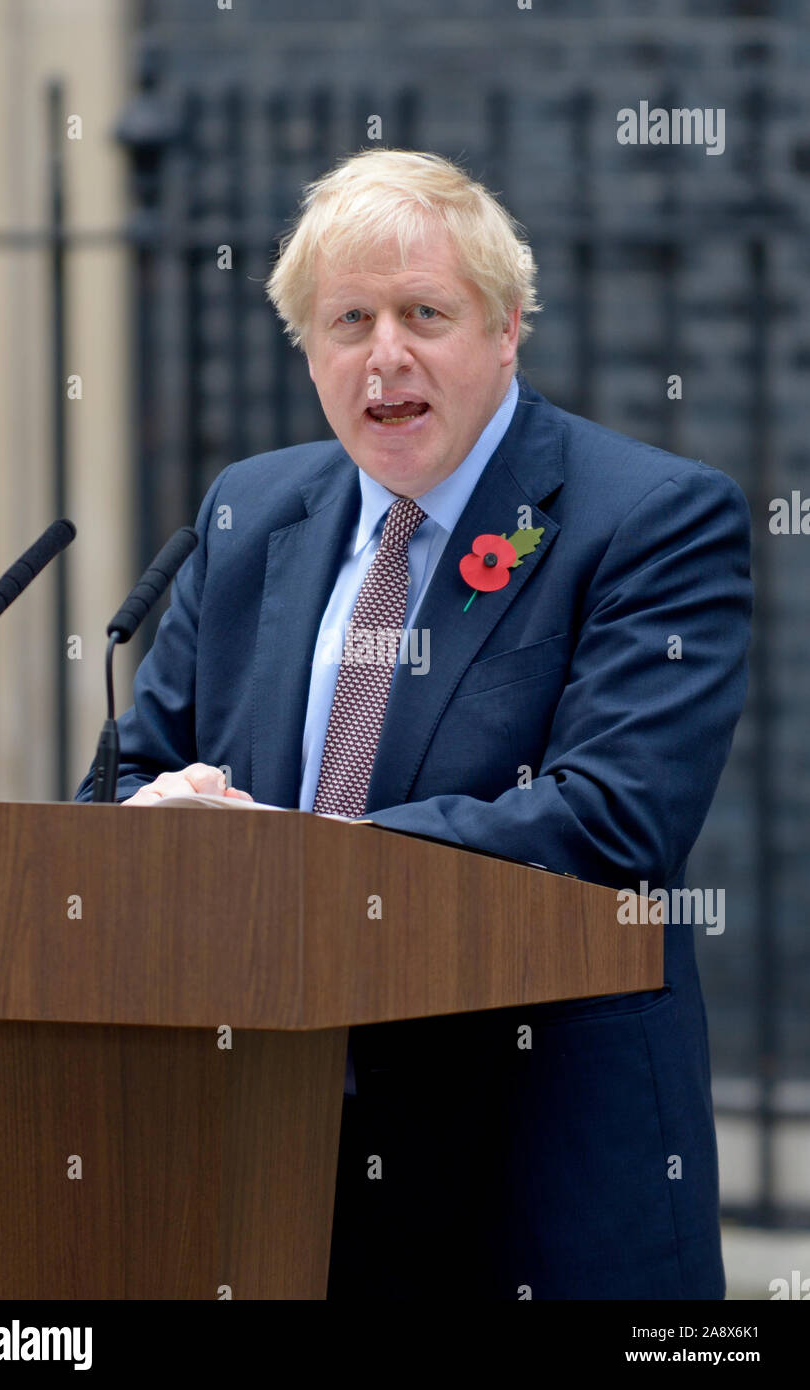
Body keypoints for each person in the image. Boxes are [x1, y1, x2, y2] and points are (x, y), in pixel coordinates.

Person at [74, 147, 752, 1300]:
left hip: (532, 1175)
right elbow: (126, 778)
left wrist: (298, 864)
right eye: (348, 319)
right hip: (259, 1165)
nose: (384, 353)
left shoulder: (649, 519)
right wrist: (152, 814)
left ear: (504, 329)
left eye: (423, 312)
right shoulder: (246, 513)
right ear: (310, 351)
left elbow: (610, 821)